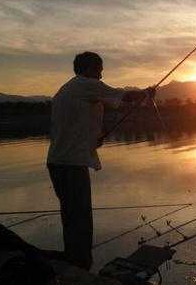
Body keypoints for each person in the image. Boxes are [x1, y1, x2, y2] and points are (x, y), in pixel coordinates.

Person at [47, 51, 155, 270]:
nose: (101, 74)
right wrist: (145, 92)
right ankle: (80, 268)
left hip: (61, 162)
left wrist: (92, 139)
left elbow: (77, 122)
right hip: (70, 165)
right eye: (100, 69)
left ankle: (75, 262)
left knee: (72, 216)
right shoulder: (85, 84)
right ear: (89, 69)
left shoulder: (70, 89)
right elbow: (122, 95)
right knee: (81, 218)